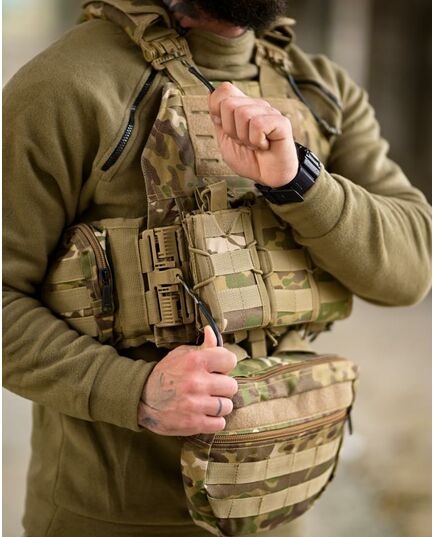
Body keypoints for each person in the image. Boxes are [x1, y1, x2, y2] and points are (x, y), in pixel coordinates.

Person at [3, 0, 431, 536]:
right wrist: (133, 391)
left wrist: (300, 183)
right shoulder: (65, 85)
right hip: (112, 518)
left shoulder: (321, 90)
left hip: (278, 507)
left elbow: (412, 272)